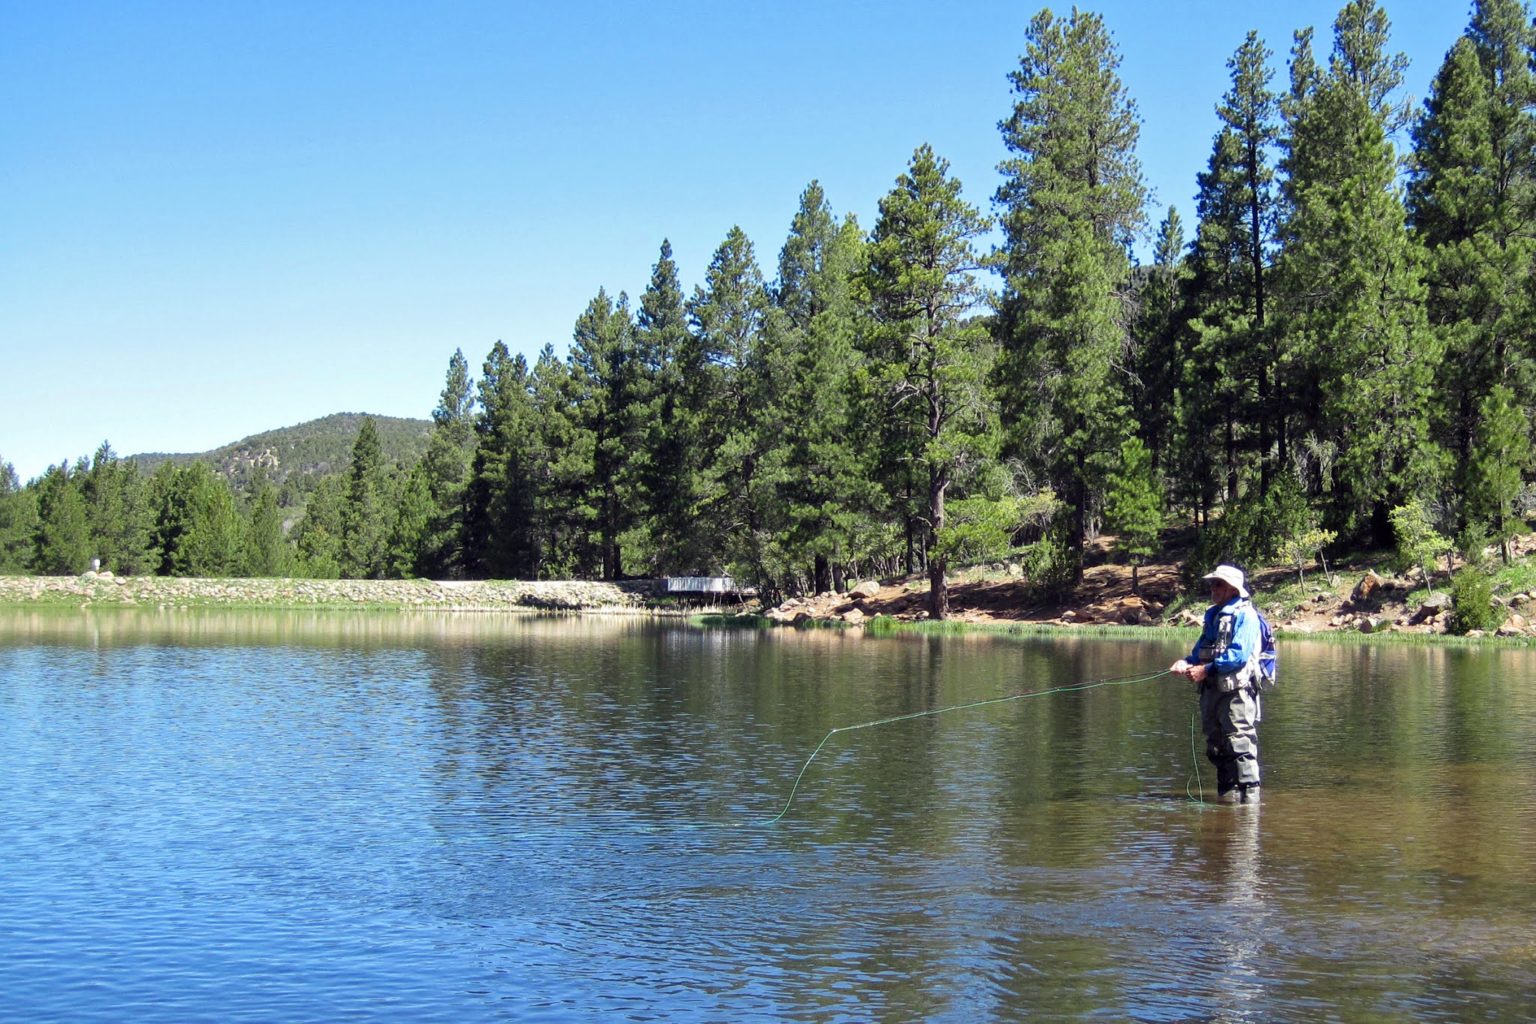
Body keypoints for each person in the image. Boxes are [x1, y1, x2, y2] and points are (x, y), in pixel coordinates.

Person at [1170, 564, 1263, 804]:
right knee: (1216, 746)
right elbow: (1200, 651)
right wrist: (1186, 662)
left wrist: (1206, 670)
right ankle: (1228, 800)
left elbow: (1238, 656)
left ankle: (1250, 802)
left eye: (1218, 584)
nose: (1212, 588)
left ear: (1232, 589)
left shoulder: (1246, 615)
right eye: (1212, 583)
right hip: (1212, 692)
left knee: (1240, 745)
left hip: (1237, 693)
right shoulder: (1213, 615)